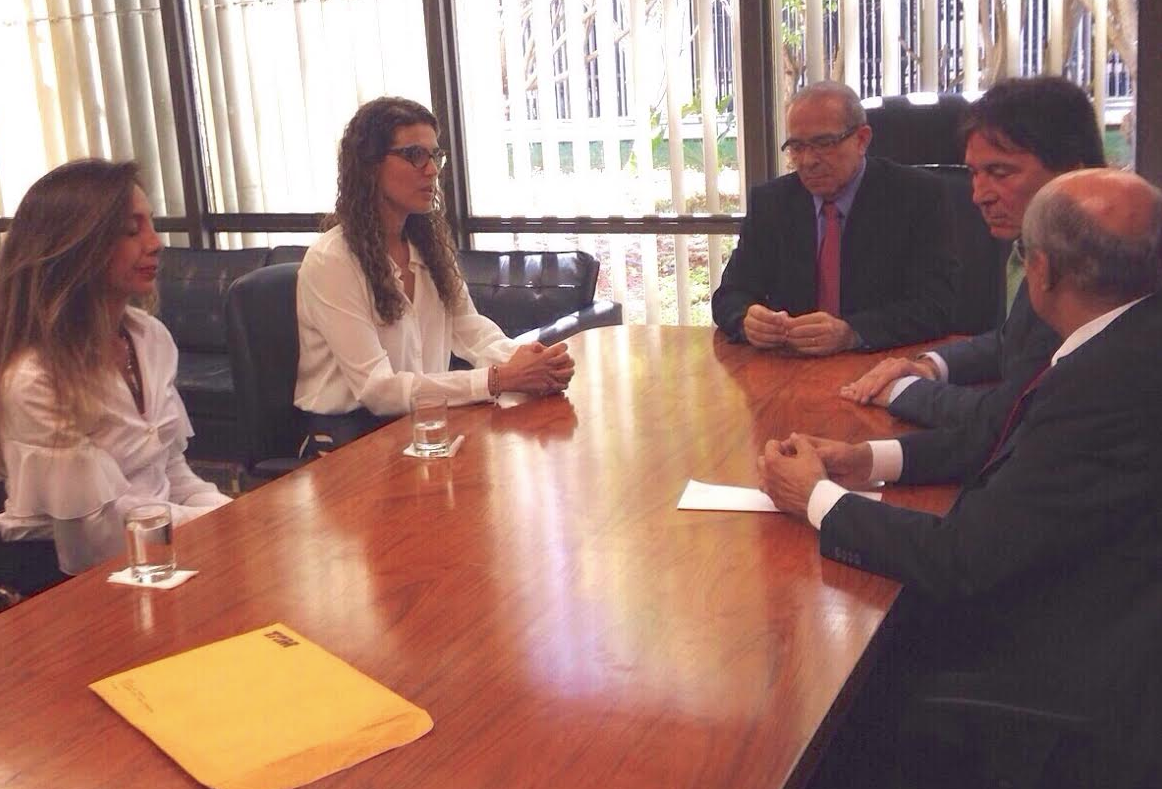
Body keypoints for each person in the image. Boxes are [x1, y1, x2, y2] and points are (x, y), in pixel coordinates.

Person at [761, 169, 1162, 787]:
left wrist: (815, 497)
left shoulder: (1101, 385)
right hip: (1109, 611)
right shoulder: (1129, 340)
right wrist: (863, 458)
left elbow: (960, 558)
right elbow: (1001, 439)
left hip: (1076, 671)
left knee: (827, 681)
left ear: (1044, 271)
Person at [0, 160, 233, 579]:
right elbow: (96, 531)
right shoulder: (34, 378)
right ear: (77, 247)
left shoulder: (150, 336)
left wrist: (235, 514)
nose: (156, 243)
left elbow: (170, 471)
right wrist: (215, 527)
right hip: (63, 577)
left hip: (161, 551)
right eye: (131, 231)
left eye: (151, 225)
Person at [295, 97, 574, 445]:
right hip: (347, 438)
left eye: (435, 156)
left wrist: (530, 362)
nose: (431, 170)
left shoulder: (427, 246)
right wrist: (499, 379)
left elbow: (471, 330)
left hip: (422, 421)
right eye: (415, 155)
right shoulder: (332, 260)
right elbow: (378, 390)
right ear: (369, 166)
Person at [840, 76, 1106, 436]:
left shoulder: (1103, 270)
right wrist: (929, 366)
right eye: (973, 173)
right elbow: (1012, 341)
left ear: (1073, 172)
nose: (979, 195)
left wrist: (902, 391)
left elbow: (1012, 414)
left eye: (1000, 172)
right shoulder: (1035, 245)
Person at [711, 81, 956, 354]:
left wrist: (852, 332)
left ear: (862, 140)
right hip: (790, 370)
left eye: (823, 144)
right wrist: (747, 320)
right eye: (796, 147)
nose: (807, 161)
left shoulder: (917, 196)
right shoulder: (772, 202)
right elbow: (729, 295)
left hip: (882, 366)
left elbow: (938, 306)